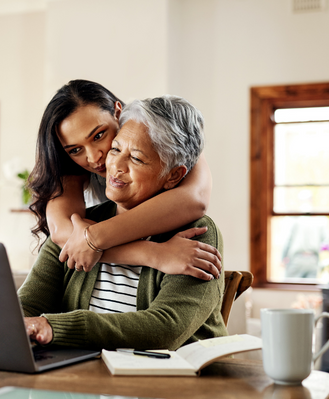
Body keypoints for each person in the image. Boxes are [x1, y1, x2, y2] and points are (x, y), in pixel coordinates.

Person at [19, 95, 227, 350]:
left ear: (173, 175)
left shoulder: (199, 233)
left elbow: (165, 329)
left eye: (137, 159)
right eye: (115, 149)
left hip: (171, 384)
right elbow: (26, 306)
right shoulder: (80, 226)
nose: (113, 165)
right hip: (85, 381)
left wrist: (55, 327)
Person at [28, 80, 221, 280]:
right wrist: (154, 254)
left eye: (99, 135)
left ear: (117, 113)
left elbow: (194, 199)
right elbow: (63, 233)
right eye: (76, 150)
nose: (94, 158)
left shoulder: (167, 135)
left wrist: (94, 238)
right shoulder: (71, 169)